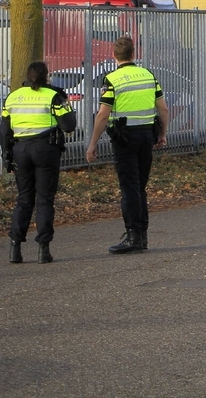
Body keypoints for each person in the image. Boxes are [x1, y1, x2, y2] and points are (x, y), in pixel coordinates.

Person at [86, 37, 169, 255]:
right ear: (133, 53)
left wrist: (92, 144)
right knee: (140, 186)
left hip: (125, 139)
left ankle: (133, 235)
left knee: (129, 187)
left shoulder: (112, 79)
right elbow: (164, 109)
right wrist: (162, 134)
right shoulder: (148, 75)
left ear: (114, 55)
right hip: (146, 136)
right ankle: (141, 235)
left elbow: (103, 115)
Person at [0, 61, 77, 264]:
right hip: (45, 150)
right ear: (46, 76)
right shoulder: (53, 96)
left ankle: (15, 248)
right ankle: (44, 249)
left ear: (27, 75)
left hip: (21, 150)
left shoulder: (12, 97)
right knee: (44, 199)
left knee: (24, 198)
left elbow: (5, 132)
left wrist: (7, 155)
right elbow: (69, 125)